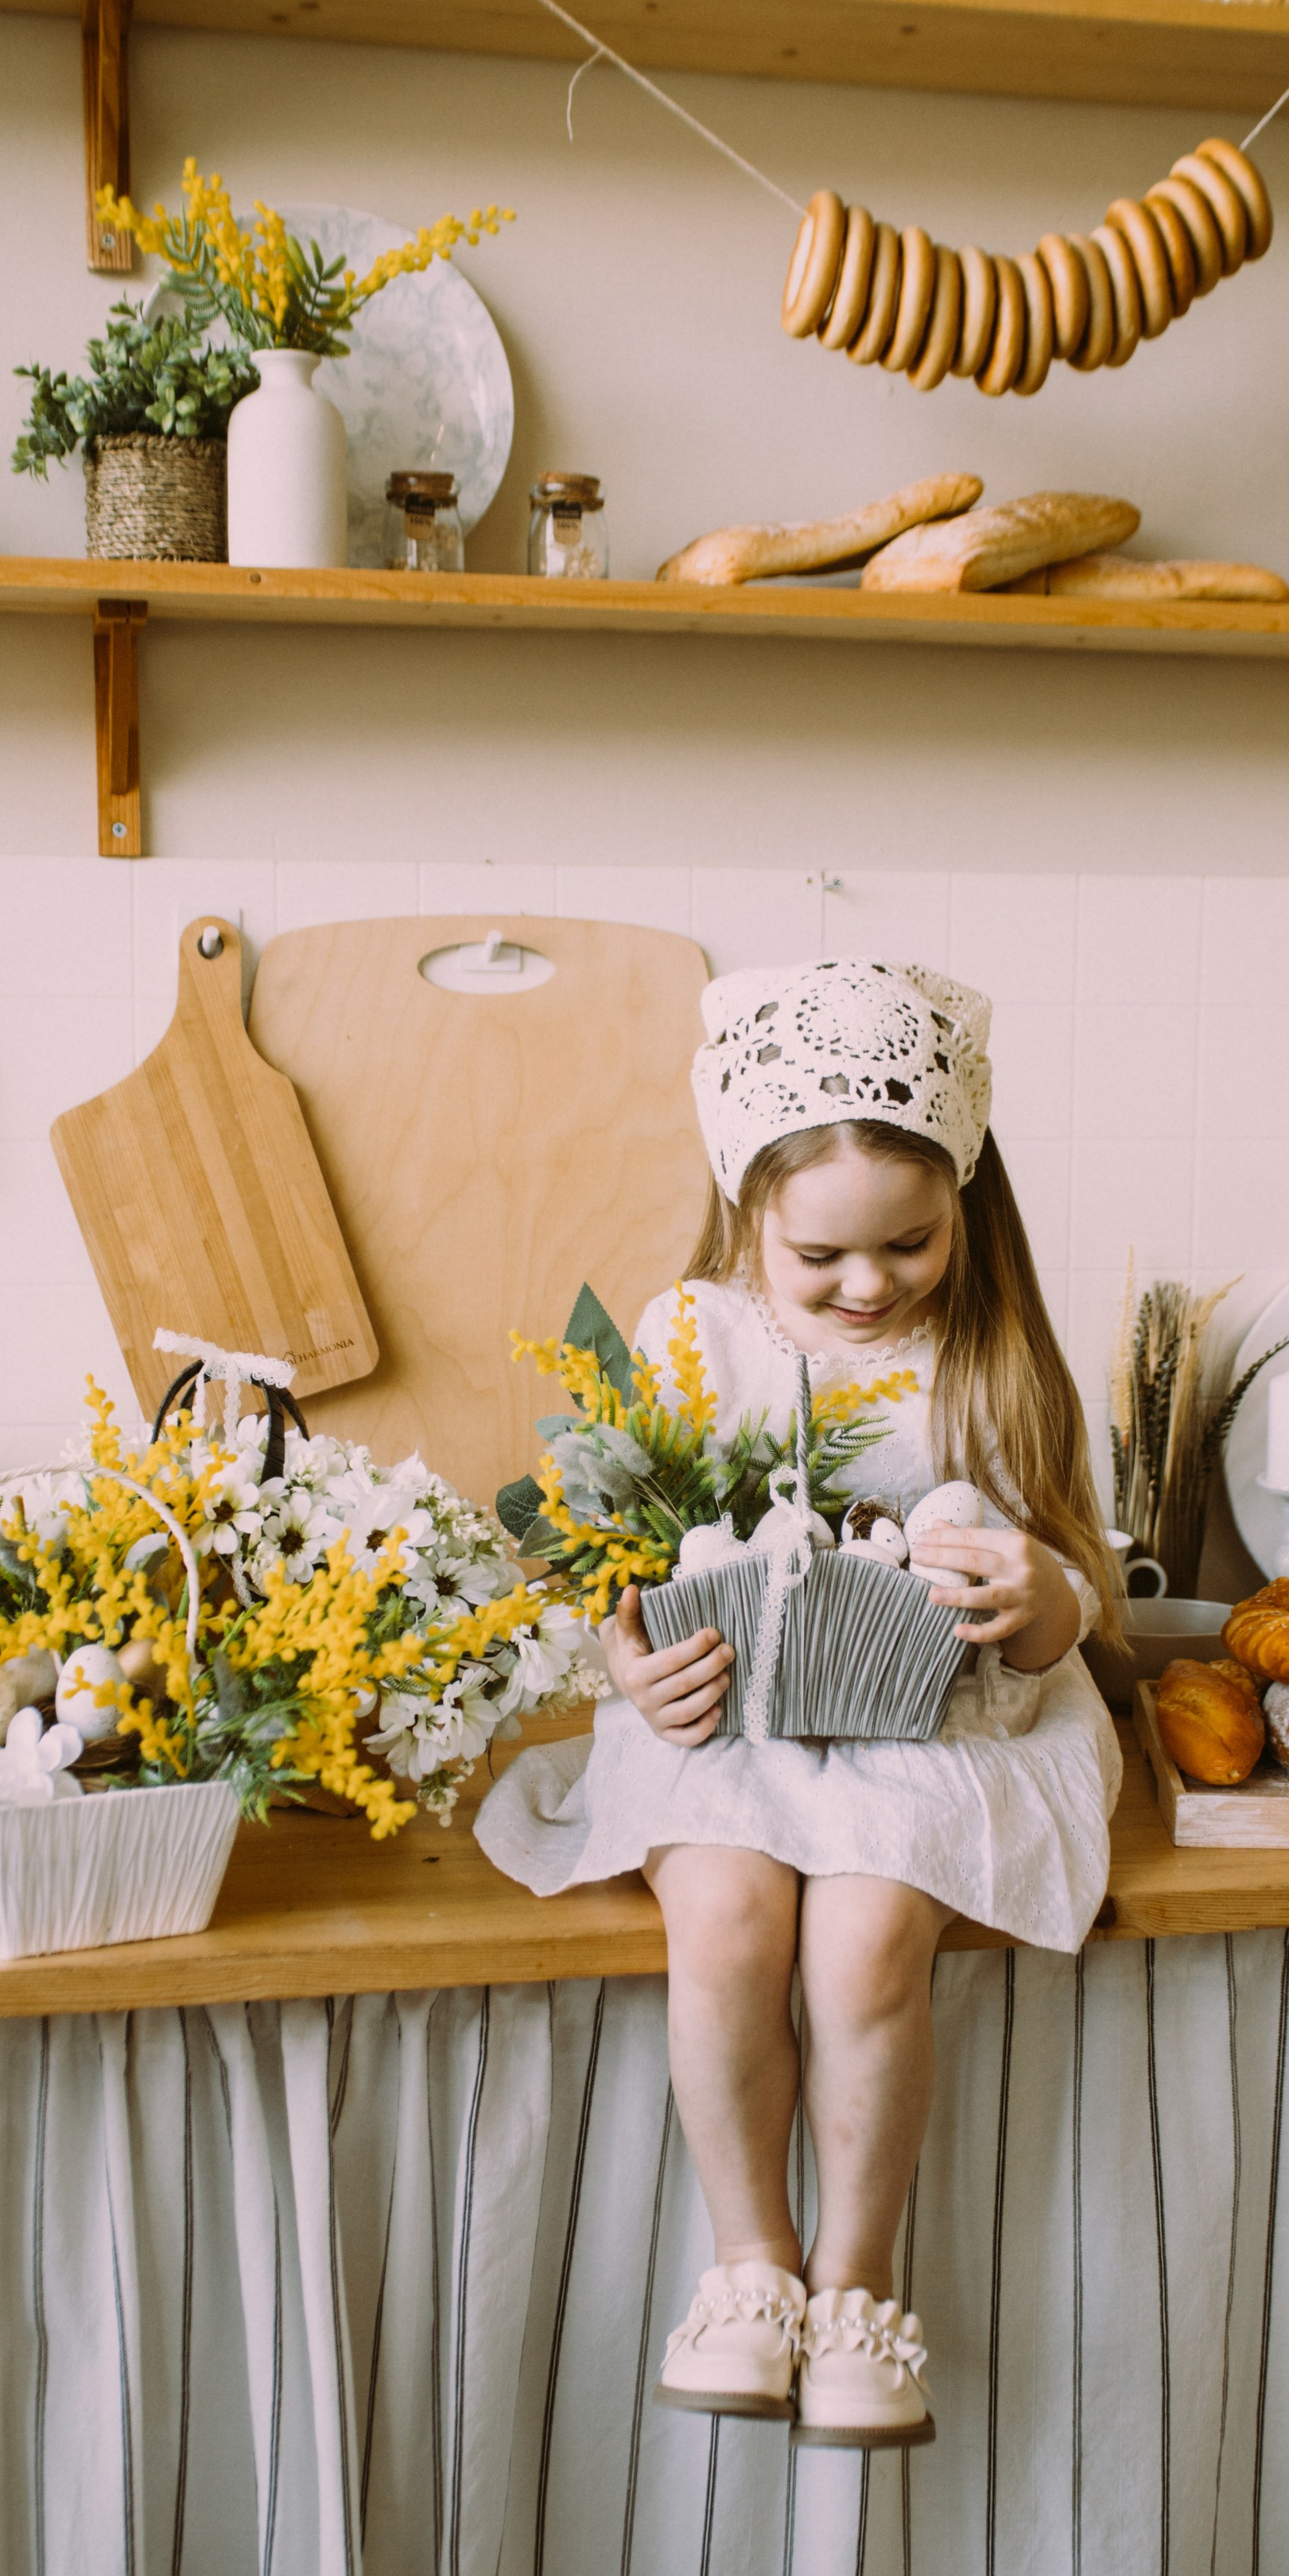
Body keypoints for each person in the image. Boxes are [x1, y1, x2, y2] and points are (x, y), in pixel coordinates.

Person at [476, 958, 1121, 2448]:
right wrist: (630, 1661)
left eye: (909, 1242)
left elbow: (1079, 1582)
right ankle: (751, 2262)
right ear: (745, 1213)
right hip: (732, 1726)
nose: (868, 1285)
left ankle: (858, 2287)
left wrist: (1041, 1606)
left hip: (942, 1729)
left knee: (868, 1931)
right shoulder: (699, 1339)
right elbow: (616, 1566)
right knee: (724, 1919)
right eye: (819, 1254)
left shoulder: (991, 1356)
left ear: (966, 1199)